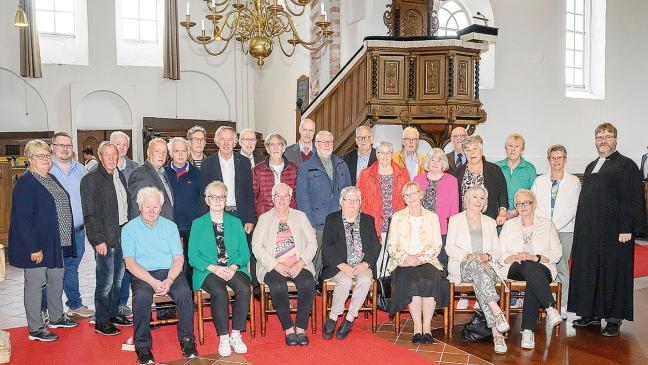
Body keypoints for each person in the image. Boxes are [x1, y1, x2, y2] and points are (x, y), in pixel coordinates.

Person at [569, 122, 647, 337]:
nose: (603, 140)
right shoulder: (592, 165)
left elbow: (632, 199)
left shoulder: (626, 165)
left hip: (615, 234)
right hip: (590, 234)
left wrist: (627, 228)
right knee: (590, 272)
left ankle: (614, 319)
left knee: (614, 274)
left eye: (607, 136)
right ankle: (590, 313)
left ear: (615, 140)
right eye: (599, 137)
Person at [8, 140, 79, 342]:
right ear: (29, 159)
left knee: (56, 280)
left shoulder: (50, 178)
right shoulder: (26, 183)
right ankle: (36, 328)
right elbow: (23, 220)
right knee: (35, 284)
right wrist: (33, 248)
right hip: (37, 246)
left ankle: (56, 317)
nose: (46, 159)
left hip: (55, 243)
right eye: (40, 156)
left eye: (48, 155)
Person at [121, 187, 198, 364]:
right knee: (141, 296)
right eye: (147, 206)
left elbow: (178, 258)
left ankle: (187, 339)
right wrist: (153, 281)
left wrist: (170, 279)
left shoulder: (170, 226)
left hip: (169, 271)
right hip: (143, 273)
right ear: (139, 206)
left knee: (185, 293)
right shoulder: (129, 229)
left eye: (155, 207)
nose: (151, 211)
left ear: (161, 206)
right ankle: (143, 346)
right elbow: (130, 263)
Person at [189, 181, 251, 357]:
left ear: (226, 200)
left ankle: (236, 334)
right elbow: (193, 256)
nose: (218, 201)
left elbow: (245, 252)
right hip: (208, 270)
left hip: (233, 267)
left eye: (221, 197)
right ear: (207, 200)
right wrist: (214, 268)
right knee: (219, 292)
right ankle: (223, 336)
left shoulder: (235, 222)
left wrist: (233, 266)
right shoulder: (198, 224)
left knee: (245, 289)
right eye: (214, 197)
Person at [445, 186, 509, 354]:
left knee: (481, 278)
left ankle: (497, 331)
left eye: (482, 198)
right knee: (475, 266)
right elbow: (449, 247)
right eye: (475, 197)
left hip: (487, 267)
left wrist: (486, 256)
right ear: (467, 200)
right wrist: (470, 256)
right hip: (463, 265)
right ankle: (497, 315)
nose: (478, 201)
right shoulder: (455, 220)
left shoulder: (489, 222)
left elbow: (497, 250)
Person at [252, 183, 317, 346]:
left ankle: (301, 327)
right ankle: (288, 328)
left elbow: (312, 242)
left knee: (308, 283)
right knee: (277, 285)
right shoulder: (264, 218)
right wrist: (275, 264)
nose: (282, 199)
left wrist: (301, 262)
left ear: (290, 199)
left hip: (298, 263)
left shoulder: (300, 216)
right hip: (272, 265)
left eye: (285, 196)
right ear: (273, 198)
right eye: (278, 196)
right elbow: (256, 246)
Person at [497, 189, 563, 350]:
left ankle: (527, 331)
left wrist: (535, 257)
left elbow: (557, 253)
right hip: (515, 268)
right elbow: (499, 252)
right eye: (519, 204)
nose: (523, 206)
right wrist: (513, 257)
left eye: (526, 202)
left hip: (543, 267)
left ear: (534, 204)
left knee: (532, 271)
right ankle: (549, 308)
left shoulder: (547, 224)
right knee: (526, 265)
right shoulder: (509, 224)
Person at [386, 182, 449, 345]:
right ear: (404, 199)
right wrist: (406, 258)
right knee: (413, 281)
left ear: (421, 194)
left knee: (429, 279)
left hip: (427, 260)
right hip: (403, 262)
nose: (411, 197)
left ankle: (427, 327)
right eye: (407, 195)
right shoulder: (398, 217)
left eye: (414, 193)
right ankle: (417, 327)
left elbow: (437, 244)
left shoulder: (432, 217)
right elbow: (391, 245)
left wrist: (420, 259)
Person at [80, 141, 132, 336]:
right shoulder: (91, 179)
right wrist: (97, 240)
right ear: (100, 157)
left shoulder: (118, 175)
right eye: (107, 155)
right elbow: (90, 214)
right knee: (105, 281)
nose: (112, 158)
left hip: (121, 235)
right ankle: (101, 320)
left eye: (114, 154)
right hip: (105, 238)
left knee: (118, 279)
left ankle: (112, 313)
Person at [321, 186, 380, 340]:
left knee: (366, 279)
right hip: (338, 266)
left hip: (361, 265)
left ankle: (349, 319)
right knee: (346, 281)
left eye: (356, 200)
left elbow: (375, 245)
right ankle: (333, 317)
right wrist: (343, 265)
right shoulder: (332, 219)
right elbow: (327, 246)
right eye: (349, 200)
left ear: (360, 203)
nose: (352, 203)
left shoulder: (368, 220)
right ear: (342, 201)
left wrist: (365, 264)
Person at [531, 145, 581, 318]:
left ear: (565, 159)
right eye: (553, 158)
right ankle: (547, 302)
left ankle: (563, 304)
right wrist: (545, 226)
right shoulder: (540, 181)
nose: (556, 161)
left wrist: (554, 226)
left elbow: (573, 208)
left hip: (564, 231)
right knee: (543, 266)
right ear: (549, 159)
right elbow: (533, 204)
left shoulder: (574, 181)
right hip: (542, 231)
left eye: (560, 158)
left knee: (561, 268)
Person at [48, 132, 94, 318]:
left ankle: (75, 305)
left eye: (68, 145)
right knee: (52, 271)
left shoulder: (81, 170)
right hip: (54, 232)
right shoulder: (46, 169)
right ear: (53, 148)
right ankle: (47, 309)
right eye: (61, 145)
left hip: (77, 231)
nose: (65, 149)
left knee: (72, 268)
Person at [296, 130, 352, 282]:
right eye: (323, 142)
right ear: (316, 144)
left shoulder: (341, 164)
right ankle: (312, 289)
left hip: (338, 221)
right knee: (316, 259)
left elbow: (349, 192)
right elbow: (302, 198)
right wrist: (309, 224)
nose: (327, 145)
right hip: (317, 222)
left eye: (330, 142)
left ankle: (328, 288)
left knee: (336, 258)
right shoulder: (306, 167)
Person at [356, 140, 408, 276]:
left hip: (395, 224)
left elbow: (407, 200)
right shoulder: (365, 174)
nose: (385, 156)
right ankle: (377, 293)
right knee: (376, 260)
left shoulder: (403, 174)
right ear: (377, 154)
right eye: (381, 153)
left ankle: (391, 294)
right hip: (374, 224)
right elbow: (358, 200)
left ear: (392, 155)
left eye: (388, 153)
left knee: (395, 261)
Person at [201, 126, 256, 235]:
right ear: (217, 142)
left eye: (230, 140)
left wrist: (250, 218)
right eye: (222, 139)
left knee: (239, 250)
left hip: (240, 215)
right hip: (217, 214)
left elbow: (249, 192)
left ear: (235, 142)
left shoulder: (244, 162)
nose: (226, 143)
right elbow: (204, 194)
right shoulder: (207, 164)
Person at [164, 137, 202, 288]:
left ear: (188, 152)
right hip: (171, 225)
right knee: (171, 263)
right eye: (176, 151)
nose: (180, 154)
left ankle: (190, 297)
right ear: (171, 153)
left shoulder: (198, 173)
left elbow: (202, 200)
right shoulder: (164, 173)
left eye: (183, 151)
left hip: (192, 226)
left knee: (190, 263)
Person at [413, 148, 459, 269]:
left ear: (443, 163)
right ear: (428, 162)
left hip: (442, 231)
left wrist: (452, 233)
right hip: (421, 231)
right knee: (421, 266)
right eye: (432, 159)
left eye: (439, 160)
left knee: (441, 266)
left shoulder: (452, 181)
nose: (435, 163)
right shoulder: (417, 180)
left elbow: (454, 210)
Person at [110, 130, 139, 316]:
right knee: (109, 267)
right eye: (117, 144)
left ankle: (122, 302)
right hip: (111, 226)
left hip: (130, 225)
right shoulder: (104, 167)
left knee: (128, 264)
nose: (121, 147)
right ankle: (108, 304)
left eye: (124, 144)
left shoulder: (136, 168)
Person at [455, 135, 508, 225]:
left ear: (481, 150)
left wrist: (502, 211)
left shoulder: (494, 170)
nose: (472, 153)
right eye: (468, 150)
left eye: (475, 149)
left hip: (488, 219)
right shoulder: (457, 172)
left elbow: (502, 193)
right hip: (464, 222)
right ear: (464, 153)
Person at [128, 138, 174, 220]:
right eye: (157, 151)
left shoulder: (163, 173)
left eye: (164, 152)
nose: (161, 155)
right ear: (148, 153)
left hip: (165, 227)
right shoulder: (140, 173)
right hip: (150, 228)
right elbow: (136, 208)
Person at [253, 133, 298, 216]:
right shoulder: (258, 169)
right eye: (272, 144)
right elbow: (253, 195)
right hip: (265, 215)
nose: (275, 148)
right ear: (267, 149)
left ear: (283, 148)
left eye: (279, 144)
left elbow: (296, 194)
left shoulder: (293, 168)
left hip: (289, 214)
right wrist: (258, 213)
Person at [496, 134, 537, 218]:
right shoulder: (496, 167)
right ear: (505, 148)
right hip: (499, 215)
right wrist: (502, 212)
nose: (513, 149)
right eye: (510, 146)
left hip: (521, 215)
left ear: (522, 150)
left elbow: (533, 195)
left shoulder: (529, 169)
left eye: (517, 146)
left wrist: (518, 211)